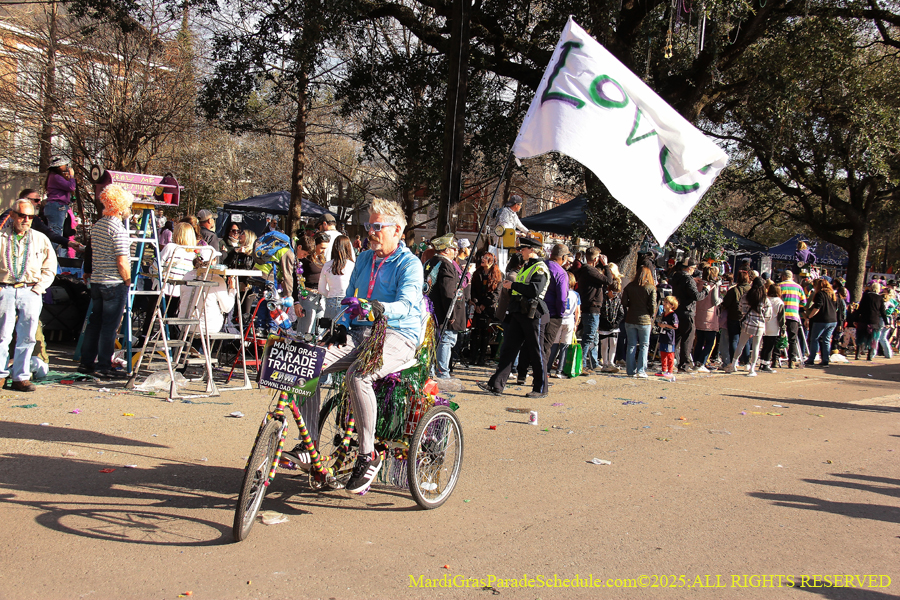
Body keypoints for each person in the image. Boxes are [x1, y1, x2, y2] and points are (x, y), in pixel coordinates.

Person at [282, 198, 424, 495]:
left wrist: (378, 308)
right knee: (307, 362)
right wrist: (343, 324)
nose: (371, 231)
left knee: (358, 375)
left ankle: (367, 455)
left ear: (397, 230)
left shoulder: (409, 263)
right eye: (368, 226)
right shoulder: (363, 258)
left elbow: (408, 304)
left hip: (398, 334)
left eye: (377, 226)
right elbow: (350, 297)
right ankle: (308, 445)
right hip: (361, 331)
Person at [477, 237, 550, 398]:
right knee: (509, 349)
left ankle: (541, 388)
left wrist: (513, 285)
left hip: (533, 313)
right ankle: (496, 384)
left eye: (523, 249)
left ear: (532, 250)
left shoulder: (540, 268)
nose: (521, 252)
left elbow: (535, 290)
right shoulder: (527, 266)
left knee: (536, 351)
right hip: (519, 311)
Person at [77, 185, 134, 380]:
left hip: (98, 280)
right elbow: (122, 261)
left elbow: (91, 251)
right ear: (121, 207)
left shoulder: (98, 225)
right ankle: (103, 366)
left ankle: (86, 363)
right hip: (113, 282)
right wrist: (127, 280)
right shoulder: (118, 229)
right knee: (109, 326)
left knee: (95, 323)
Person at [0, 198, 57, 392]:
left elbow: (50, 267)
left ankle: (21, 377)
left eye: (30, 217)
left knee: (28, 336)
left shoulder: (40, 238)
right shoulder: (2, 237)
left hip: (30, 290)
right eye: (22, 215)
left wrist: (39, 288)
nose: (26, 220)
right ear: (12, 215)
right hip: (6, 289)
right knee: (3, 335)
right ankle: (1, 375)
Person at [425, 233, 466, 379]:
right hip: (443, 314)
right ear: (446, 250)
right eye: (454, 249)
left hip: (430, 310)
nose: (456, 252)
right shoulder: (446, 265)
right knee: (446, 341)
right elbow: (448, 291)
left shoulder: (429, 262)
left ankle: (430, 373)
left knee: (433, 343)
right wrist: (452, 313)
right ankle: (442, 373)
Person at [575, 247, 614, 373]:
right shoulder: (589, 270)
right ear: (596, 259)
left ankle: (594, 363)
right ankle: (582, 364)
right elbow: (608, 280)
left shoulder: (587, 270)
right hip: (591, 308)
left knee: (594, 337)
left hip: (592, 307)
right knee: (589, 337)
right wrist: (606, 265)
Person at [670, 257, 711, 372]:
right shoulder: (688, 279)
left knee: (676, 338)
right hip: (687, 311)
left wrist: (693, 280)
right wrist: (706, 290)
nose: (694, 270)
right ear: (689, 268)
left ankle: (670, 361)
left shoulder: (676, 276)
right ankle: (684, 364)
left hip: (677, 310)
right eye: (693, 268)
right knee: (687, 338)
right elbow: (696, 296)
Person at [725, 277, 772, 376]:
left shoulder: (746, 296)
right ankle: (752, 368)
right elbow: (768, 315)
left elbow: (740, 308)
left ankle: (734, 364)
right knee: (756, 347)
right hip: (759, 325)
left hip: (747, 323)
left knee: (740, 344)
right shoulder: (765, 299)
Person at [621, 264, 657, 378]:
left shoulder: (629, 286)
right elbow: (653, 305)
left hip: (630, 318)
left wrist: (631, 305)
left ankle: (630, 370)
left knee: (631, 345)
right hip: (644, 319)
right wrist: (650, 314)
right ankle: (641, 370)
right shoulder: (650, 288)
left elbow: (624, 302)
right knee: (644, 345)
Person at [469, 252, 502, 366]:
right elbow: (473, 290)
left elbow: (496, 294)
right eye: (483, 257)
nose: (483, 259)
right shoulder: (477, 273)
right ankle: (473, 357)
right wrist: (477, 304)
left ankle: (482, 358)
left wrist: (484, 305)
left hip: (488, 308)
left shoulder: (497, 275)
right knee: (475, 332)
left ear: (491, 262)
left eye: (486, 258)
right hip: (477, 306)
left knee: (485, 333)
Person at [542, 244, 571, 373]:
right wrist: (560, 313)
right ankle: (542, 375)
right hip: (552, 313)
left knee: (533, 344)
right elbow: (562, 298)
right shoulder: (560, 273)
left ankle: (523, 373)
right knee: (546, 346)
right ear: (563, 257)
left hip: (535, 311)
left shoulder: (541, 266)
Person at [548, 272, 581, 377]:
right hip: (570, 320)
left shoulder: (559, 291)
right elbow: (577, 311)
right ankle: (560, 370)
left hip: (559, 319)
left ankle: (548, 368)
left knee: (554, 345)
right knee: (564, 346)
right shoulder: (576, 294)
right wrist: (576, 323)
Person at [43, 156, 77, 253]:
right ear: (59, 166)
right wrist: (72, 176)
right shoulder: (56, 177)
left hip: (55, 206)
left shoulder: (53, 177)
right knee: (56, 231)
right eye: (64, 164)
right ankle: (53, 253)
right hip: (57, 206)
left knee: (56, 230)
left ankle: (54, 252)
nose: (66, 166)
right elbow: (71, 187)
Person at [318, 235, 355, 320]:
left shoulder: (327, 265)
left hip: (331, 302)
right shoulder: (352, 265)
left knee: (329, 327)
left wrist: (330, 295)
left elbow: (321, 289)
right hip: (347, 302)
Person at [804, 278, 839, 367]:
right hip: (833, 320)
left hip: (821, 319)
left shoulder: (819, 294)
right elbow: (836, 307)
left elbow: (817, 307)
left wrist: (809, 317)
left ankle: (811, 359)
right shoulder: (832, 294)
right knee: (826, 340)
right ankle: (825, 360)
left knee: (814, 339)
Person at [721, 269, 752, 368]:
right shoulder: (751, 290)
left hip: (734, 316)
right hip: (747, 318)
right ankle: (746, 362)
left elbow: (726, 303)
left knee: (734, 340)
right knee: (745, 340)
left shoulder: (734, 290)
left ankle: (734, 362)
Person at [693, 265, 721, 372]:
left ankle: (696, 361)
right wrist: (722, 298)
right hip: (710, 317)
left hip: (698, 314)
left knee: (699, 341)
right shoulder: (713, 286)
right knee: (710, 342)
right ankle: (701, 362)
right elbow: (715, 301)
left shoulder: (698, 284)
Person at [778, 270, 807, 368]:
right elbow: (804, 303)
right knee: (792, 338)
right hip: (793, 315)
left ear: (783, 277)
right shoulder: (799, 287)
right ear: (792, 277)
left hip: (781, 316)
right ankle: (792, 360)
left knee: (778, 337)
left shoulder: (779, 286)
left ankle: (775, 359)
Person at [597, 277, 624, 373]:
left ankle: (611, 362)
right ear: (609, 290)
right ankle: (605, 363)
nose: (615, 295)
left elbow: (621, 313)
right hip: (604, 325)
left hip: (614, 326)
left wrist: (616, 323)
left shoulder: (618, 300)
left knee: (613, 343)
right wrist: (601, 322)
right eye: (613, 292)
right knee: (604, 344)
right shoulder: (603, 298)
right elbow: (600, 311)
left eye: (617, 293)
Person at [854, 282, 887, 361]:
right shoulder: (880, 298)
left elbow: (860, 308)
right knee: (873, 339)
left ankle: (857, 354)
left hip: (864, 319)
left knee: (860, 337)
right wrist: (887, 322)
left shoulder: (866, 296)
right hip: (874, 320)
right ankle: (869, 356)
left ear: (871, 288)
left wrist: (855, 319)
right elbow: (883, 311)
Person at [759, 281, 785, 373]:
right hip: (774, 326)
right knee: (770, 346)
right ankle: (766, 364)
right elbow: (781, 318)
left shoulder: (765, 299)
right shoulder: (779, 302)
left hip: (764, 325)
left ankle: (762, 363)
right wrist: (783, 329)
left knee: (764, 345)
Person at [657, 296, 679, 380]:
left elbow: (675, 326)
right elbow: (659, 322)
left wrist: (666, 325)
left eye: (666, 303)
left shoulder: (673, 315)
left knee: (669, 354)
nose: (664, 304)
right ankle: (663, 370)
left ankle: (670, 370)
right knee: (662, 353)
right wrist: (660, 324)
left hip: (669, 337)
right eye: (664, 302)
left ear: (672, 305)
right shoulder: (663, 314)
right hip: (663, 336)